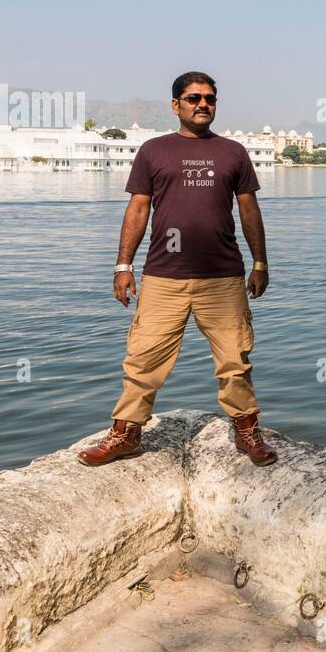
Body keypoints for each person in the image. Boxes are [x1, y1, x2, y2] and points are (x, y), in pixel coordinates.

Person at [78, 71, 277, 467]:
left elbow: (249, 210)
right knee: (143, 359)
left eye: (210, 98)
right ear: (176, 105)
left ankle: (247, 432)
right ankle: (126, 435)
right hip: (163, 277)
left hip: (221, 277)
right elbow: (137, 209)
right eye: (193, 98)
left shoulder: (233, 152)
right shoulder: (154, 151)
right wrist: (123, 265)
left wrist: (260, 262)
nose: (203, 104)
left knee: (235, 360)